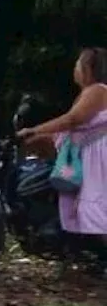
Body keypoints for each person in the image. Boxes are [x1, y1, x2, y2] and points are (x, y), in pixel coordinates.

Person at [18, 48, 107, 242]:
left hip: (97, 159)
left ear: (88, 69)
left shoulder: (97, 90)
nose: (74, 69)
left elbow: (72, 120)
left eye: (77, 64)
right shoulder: (88, 93)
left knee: (100, 214)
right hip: (88, 155)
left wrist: (35, 130)